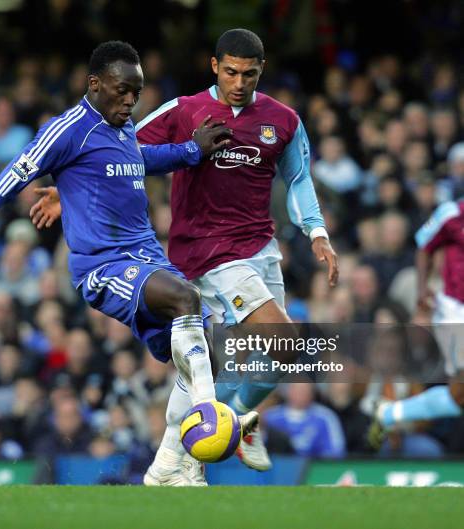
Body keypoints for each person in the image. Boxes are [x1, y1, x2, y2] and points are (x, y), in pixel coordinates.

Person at [0, 41, 257, 486]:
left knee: (210, 348)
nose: (130, 101)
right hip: (103, 268)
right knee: (186, 300)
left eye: (136, 93)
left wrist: (192, 151)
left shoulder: (121, 128)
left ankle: (164, 469)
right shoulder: (67, 130)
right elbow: (7, 181)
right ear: (95, 83)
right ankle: (206, 422)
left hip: (145, 259)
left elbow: (141, 160)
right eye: (122, 91)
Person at [30, 29, 338, 480]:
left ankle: (200, 445)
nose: (239, 82)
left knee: (263, 361)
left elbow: (299, 179)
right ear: (215, 66)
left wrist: (317, 232)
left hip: (260, 249)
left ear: (261, 72)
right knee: (285, 340)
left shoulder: (284, 120)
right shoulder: (184, 109)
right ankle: (200, 444)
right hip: (207, 253)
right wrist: (67, 188)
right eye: (230, 71)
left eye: (249, 74)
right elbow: (118, 150)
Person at [368, 199, 464, 447]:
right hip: (455, 309)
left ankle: (389, 413)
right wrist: (422, 289)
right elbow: (423, 245)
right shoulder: (451, 212)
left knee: (458, 397)